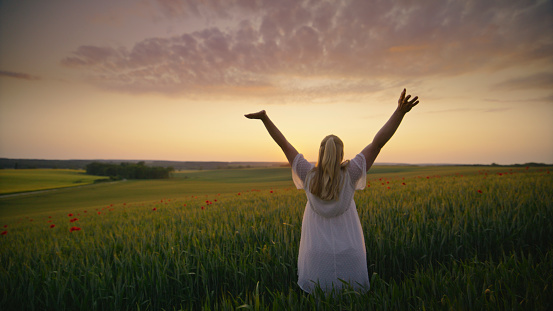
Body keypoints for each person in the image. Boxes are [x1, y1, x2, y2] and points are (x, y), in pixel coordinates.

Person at [245, 89, 419, 294]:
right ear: (341, 153)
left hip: (316, 254)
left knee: (319, 298)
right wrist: (399, 112)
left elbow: (283, 144)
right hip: (349, 252)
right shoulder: (351, 173)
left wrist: (265, 118)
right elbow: (378, 143)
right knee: (350, 298)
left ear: (320, 152)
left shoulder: (307, 174)